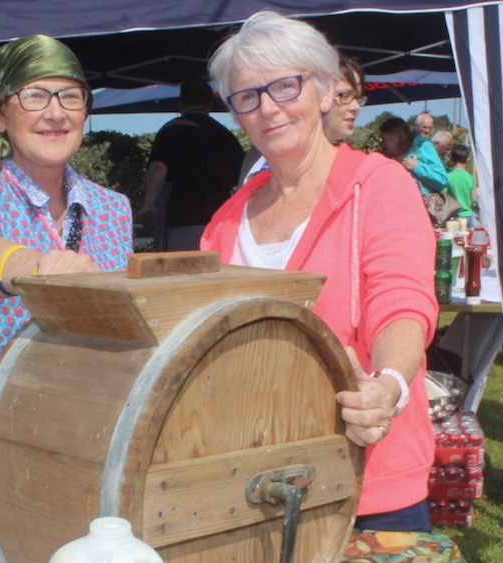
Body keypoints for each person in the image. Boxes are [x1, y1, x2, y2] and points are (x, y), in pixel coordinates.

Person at [202, 10, 438, 530]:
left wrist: (389, 384)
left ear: (327, 90)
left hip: (365, 485)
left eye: (286, 86)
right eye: (247, 96)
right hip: (257, 490)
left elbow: (402, 302)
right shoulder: (224, 222)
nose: (268, 109)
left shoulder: (380, 186)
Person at [0, 35, 134, 563]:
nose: (55, 113)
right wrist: (34, 268)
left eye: (70, 96)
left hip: (77, 443)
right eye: (35, 95)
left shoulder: (112, 209)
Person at [136, 78, 245, 251]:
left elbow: (158, 167)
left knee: (176, 271)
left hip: (178, 218)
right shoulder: (225, 136)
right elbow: (241, 178)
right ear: (210, 103)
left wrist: (149, 203)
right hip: (218, 220)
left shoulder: (172, 129)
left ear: (181, 103)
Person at [238, 53, 367, 185]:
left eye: (358, 97)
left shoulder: (363, 172)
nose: (355, 106)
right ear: (322, 94)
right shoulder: (263, 158)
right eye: (345, 95)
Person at [379, 117, 448, 194]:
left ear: (399, 137)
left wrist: (417, 167)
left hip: (420, 203)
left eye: (386, 138)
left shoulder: (423, 147)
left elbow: (442, 180)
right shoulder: (384, 156)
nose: (383, 143)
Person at [446, 144, 477, 227]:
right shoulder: (470, 177)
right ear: (468, 159)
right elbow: (474, 198)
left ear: (451, 158)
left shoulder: (448, 177)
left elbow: (445, 197)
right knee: (467, 240)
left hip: (454, 217)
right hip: (468, 216)